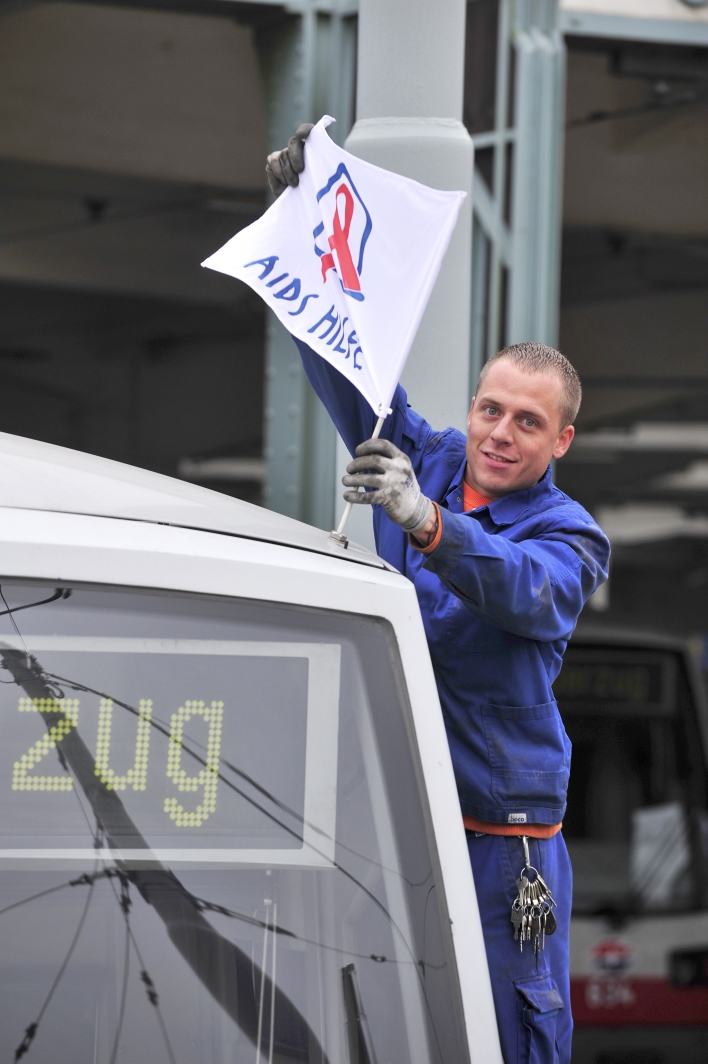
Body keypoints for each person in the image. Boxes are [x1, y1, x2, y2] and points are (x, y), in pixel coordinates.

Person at [266, 128, 610, 1064]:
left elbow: (523, 591)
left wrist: (425, 523)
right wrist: (306, 229)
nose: (500, 433)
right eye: (490, 408)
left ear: (560, 442)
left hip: (499, 841)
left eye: (527, 422)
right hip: (383, 812)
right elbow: (355, 371)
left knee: (506, 1030)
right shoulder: (438, 455)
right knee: (366, 1019)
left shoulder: (568, 537)